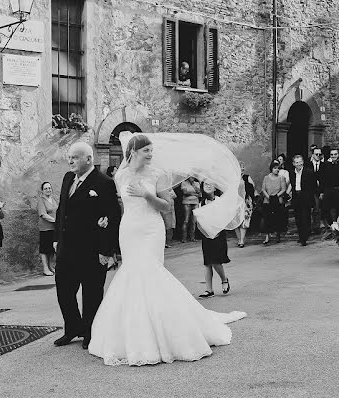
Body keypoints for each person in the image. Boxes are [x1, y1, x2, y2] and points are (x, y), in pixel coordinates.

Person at [88, 133, 246, 365]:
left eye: (152, 151)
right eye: (146, 151)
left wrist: (146, 195)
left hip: (152, 229)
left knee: (152, 275)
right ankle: (138, 331)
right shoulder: (120, 175)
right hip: (130, 229)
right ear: (133, 152)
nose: (151, 155)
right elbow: (119, 206)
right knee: (132, 276)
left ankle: (165, 330)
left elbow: (166, 206)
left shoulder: (156, 175)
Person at [53, 142, 121, 349]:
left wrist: (106, 251)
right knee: (64, 291)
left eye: (75, 157)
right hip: (66, 248)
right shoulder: (67, 178)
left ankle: (91, 333)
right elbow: (61, 209)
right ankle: (73, 328)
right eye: (69, 158)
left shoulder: (104, 183)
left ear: (89, 159)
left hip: (91, 250)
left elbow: (113, 217)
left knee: (91, 294)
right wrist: (56, 239)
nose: (70, 161)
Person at [197, 181, 232, 298]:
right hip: (206, 235)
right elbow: (199, 222)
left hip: (218, 234)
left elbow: (224, 218)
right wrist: (206, 233)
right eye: (205, 184)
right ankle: (209, 290)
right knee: (207, 263)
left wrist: (215, 231)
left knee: (216, 261)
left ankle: (224, 279)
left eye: (210, 183)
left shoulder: (219, 201)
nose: (208, 185)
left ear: (215, 187)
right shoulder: (201, 203)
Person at [290, 154, 316, 245]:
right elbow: (292, 186)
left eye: (300, 162)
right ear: (293, 163)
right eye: (297, 162)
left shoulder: (309, 172)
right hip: (296, 196)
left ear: (303, 162)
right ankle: (301, 236)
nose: (299, 164)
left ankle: (304, 237)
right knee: (298, 218)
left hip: (306, 196)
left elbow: (313, 186)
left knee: (305, 217)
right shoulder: (291, 173)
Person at [261, 160, 288, 244]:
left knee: (278, 218)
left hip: (278, 200)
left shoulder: (281, 178)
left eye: (278, 168)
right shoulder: (266, 178)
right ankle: (267, 236)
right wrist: (269, 197)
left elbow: (283, 189)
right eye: (275, 168)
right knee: (267, 219)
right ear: (271, 169)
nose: (277, 170)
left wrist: (276, 197)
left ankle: (277, 235)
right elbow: (263, 189)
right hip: (268, 201)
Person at [318, 147, 339, 227]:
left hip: (338, 189)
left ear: (338, 154)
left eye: (335, 154)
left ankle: (338, 225)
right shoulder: (325, 165)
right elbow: (322, 179)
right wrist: (321, 192)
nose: (333, 156)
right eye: (331, 155)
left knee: (338, 208)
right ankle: (330, 225)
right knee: (327, 208)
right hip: (328, 189)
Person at [38, 181, 58, 276]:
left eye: (49, 188)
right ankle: (45, 268)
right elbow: (43, 214)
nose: (48, 190)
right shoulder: (41, 200)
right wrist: (55, 220)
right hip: (45, 228)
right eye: (45, 188)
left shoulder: (53, 199)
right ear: (42, 191)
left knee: (51, 249)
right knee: (44, 249)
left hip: (54, 228)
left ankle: (51, 266)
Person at [235, 161, 255, 248]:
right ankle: (239, 238)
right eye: (240, 167)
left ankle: (242, 240)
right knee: (236, 221)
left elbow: (252, 186)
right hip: (235, 202)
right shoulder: (233, 178)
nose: (242, 168)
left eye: (243, 167)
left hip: (245, 202)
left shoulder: (247, 177)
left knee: (244, 221)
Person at [179, 177, 200, 242]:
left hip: (195, 202)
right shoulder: (184, 183)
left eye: (193, 176)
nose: (192, 177)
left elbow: (198, 192)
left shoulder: (196, 183)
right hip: (187, 202)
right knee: (186, 220)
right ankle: (184, 238)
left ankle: (192, 237)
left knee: (194, 221)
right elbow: (185, 192)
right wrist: (194, 194)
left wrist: (193, 185)